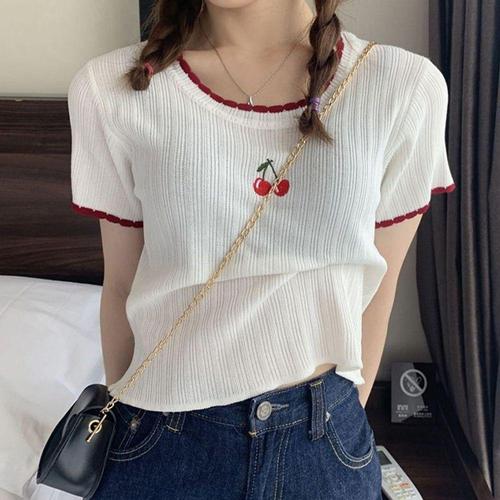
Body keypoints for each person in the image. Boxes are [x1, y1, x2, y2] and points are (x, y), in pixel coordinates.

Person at [67, 0, 456, 498]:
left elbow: (378, 287)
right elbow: (121, 284)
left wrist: (337, 418)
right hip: (158, 443)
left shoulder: (403, 86)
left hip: (324, 445)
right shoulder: (111, 89)